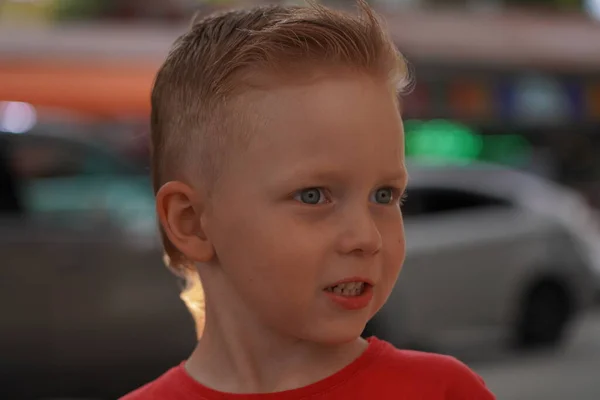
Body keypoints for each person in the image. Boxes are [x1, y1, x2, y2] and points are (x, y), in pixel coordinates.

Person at [122, 1, 496, 398]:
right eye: (314, 196)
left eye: (384, 195)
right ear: (192, 221)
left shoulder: (441, 392)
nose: (367, 238)